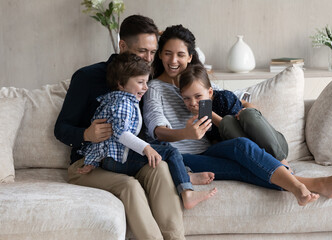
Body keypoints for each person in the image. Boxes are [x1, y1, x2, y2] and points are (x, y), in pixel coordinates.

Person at [143, 24, 332, 207]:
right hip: (183, 158)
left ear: (189, 57)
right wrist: (185, 133)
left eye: (180, 54)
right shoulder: (154, 88)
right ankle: (309, 185)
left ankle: (308, 183)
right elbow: (157, 131)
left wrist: (247, 106)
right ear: (160, 54)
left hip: (210, 150)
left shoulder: (196, 81)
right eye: (168, 53)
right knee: (242, 168)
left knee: (241, 145)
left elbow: (234, 95)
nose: (173, 60)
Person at [55, 15, 188, 240]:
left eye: (153, 52)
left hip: (129, 158)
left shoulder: (145, 79)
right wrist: (86, 134)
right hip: (88, 163)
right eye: (142, 51)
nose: (149, 59)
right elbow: (61, 128)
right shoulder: (87, 77)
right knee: (130, 186)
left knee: (160, 169)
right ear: (122, 45)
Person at [77, 52, 217, 209]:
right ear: (121, 84)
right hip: (118, 160)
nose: (145, 87)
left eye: (146, 82)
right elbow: (122, 134)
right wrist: (146, 148)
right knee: (170, 152)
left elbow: (105, 141)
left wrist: (92, 162)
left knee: (165, 151)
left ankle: (185, 175)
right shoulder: (124, 103)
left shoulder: (114, 100)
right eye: (140, 82)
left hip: (112, 158)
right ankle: (187, 193)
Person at [179, 63, 288, 161]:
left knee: (237, 118)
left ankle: (282, 162)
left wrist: (209, 113)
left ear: (210, 92)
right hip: (254, 155)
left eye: (198, 96)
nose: (193, 103)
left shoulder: (224, 98)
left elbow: (234, 128)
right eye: (186, 98)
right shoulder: (197, 115)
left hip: (275, 145)